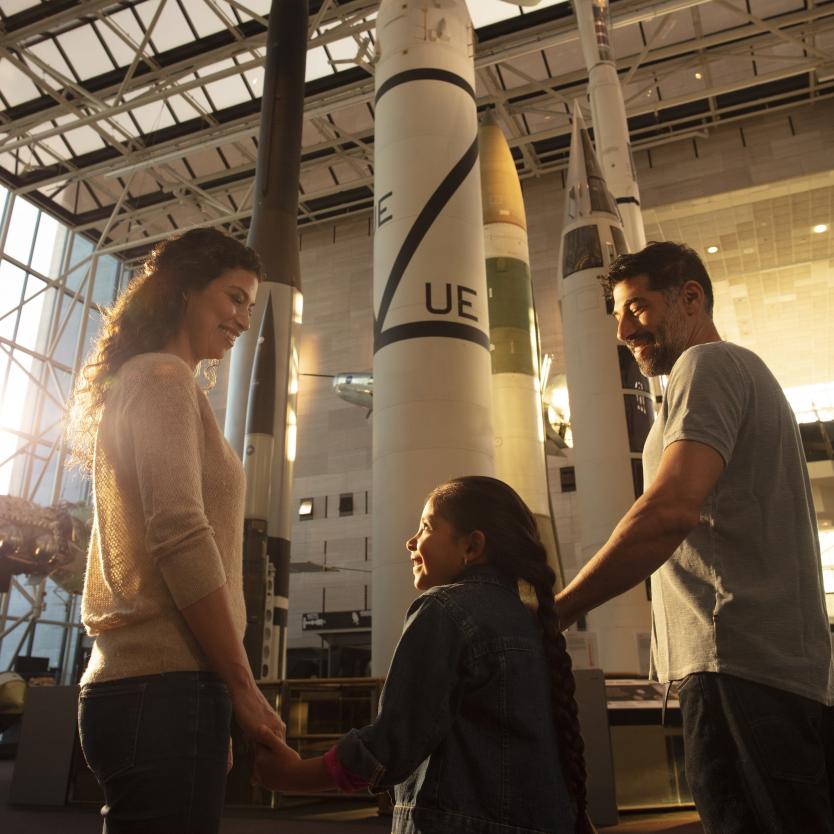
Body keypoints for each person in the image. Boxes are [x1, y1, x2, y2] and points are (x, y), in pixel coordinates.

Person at [555, 241, 834, 833]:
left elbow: (670, 510)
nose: (624, 330)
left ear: (690, 297)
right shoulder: (733, 373)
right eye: (618, 316)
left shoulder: (706, 365)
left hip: (737, 662)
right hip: (754, 668)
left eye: (637, 308)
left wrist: (558, 611)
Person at [67, 228, 284, 834]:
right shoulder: (163, 380)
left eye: (249, 303)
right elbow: (181, 537)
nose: (243, 318)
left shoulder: (146, 380)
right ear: (185, 291)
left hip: (149, 688)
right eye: (233, 297)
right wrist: (240, 688)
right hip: (162, 686)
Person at [252, 475, 593, 834]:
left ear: (472, 546)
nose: (410, 541)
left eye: (427, 527)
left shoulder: (443, 610)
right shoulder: (530, 623)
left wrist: (293, 776)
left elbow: (392, 743)